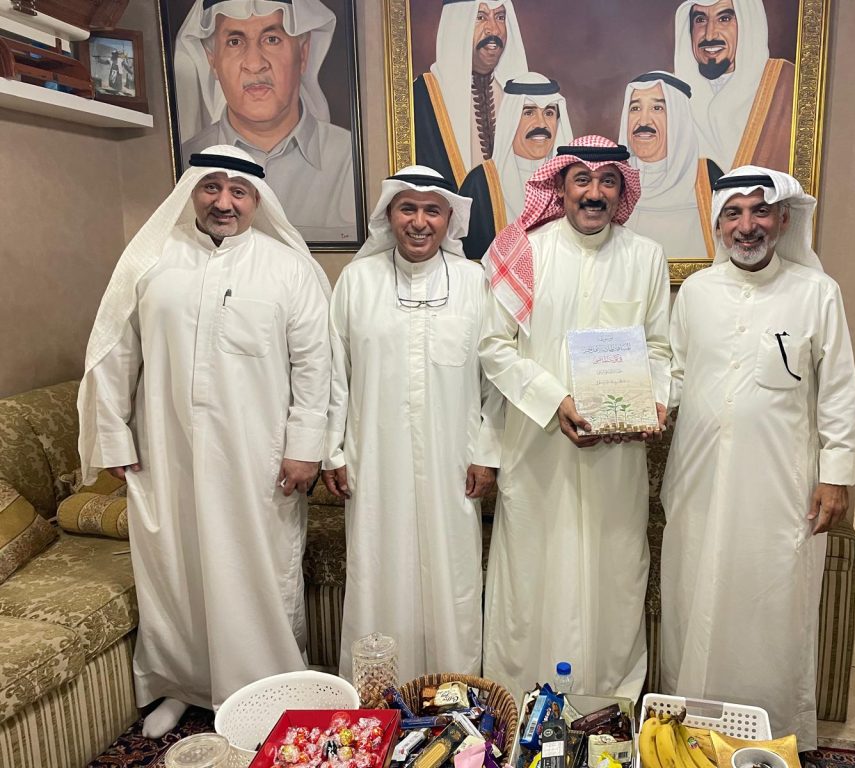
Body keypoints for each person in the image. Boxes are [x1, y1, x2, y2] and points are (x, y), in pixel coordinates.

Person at [77, 145, 331, 738]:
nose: (224, 202)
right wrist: (114, 436)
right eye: (211, 188)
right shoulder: (152, 261)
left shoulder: (287, 268)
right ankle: (182, 685)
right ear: (190, 191)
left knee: (257, 568)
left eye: (238, 191)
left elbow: (315, 365)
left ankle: (268, 688)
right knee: (173, 569)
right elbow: (117, 352)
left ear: (257, 199)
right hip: (167, 452)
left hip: (258, 457)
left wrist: (305, 447)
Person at [659, 166, 855, 750]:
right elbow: (675, 373)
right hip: (697, 479)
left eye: (760, 211)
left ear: (783, 219)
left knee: (769, 605)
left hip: (778, 485)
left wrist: (836, 476)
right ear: (719, 224)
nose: (747, 226)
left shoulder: (816, 292)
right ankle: (688, 729)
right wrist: (636, 405)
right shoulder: (696, 293)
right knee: (693, 595)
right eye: (734, 214)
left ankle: (772, 735)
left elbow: (839, 392)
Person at [479, 136, 671, 699]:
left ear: (621, 190)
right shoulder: (527, 252)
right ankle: (519, 696)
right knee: (532, 573)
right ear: (560, 188)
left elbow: (660, 349)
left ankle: (609, 700)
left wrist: (656, 399)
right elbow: (494, 346)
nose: (594, 192)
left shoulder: (645, 257)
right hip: (538, 452)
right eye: (582, 180)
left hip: (616, 455)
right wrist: (553, 399)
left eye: (608, 181)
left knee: (615, 572)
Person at [322, 165, 504, 681]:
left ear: (449, 219)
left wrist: (487, 454)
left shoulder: (474, 282)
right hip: (374, 460)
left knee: (453, 577)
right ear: (389, 215)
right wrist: (332, 452)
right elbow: (335, 373)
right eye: (408, 208)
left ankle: (455, 690)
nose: (419, 222)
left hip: (454, 462)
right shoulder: (357, 281)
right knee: (378, 569)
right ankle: (379, 693)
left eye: (432, 211)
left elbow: (494, 379)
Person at [177, 0, 357, 241]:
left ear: (303, 53)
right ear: (213, 61)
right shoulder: (187, 163)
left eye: (272, 39)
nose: (254, 64)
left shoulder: (350, 159)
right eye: (234, 42)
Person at [413, 1, 529, 187]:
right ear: (458, 25)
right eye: (480, 17)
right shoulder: (423, 98)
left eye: (500, 17)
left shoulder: (520, 97)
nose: (494, 30)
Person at [459, 72, 572, 260]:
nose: (541, 123)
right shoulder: (480, 183)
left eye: (549, 113)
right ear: (511, 119)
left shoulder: (569, 183)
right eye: (528, 112)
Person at [673, 0, 794, 172]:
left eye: (724, 19)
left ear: (747, 23)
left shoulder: (785, 82)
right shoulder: (669, 97)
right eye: (700, 20)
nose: (709, 35)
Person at [618, 70, 722, 258]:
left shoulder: (707, 178)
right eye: (635, 108)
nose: (643, 120)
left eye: (657, 108)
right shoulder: (615, 180)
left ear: (678, 118)